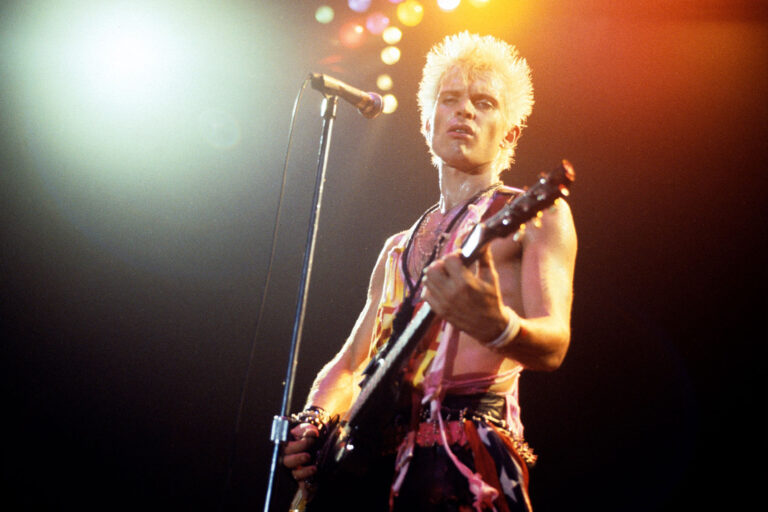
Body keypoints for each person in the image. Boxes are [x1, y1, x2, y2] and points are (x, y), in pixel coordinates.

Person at [282, 32, 577, 511]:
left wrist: (497, 325)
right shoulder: (395, 247)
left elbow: (555, 342)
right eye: (450, 100)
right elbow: (351, 362)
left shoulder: (534, 215)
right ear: (426, 121)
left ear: (511, 131)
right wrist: (314, 421)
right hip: (369, 468)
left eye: (484, 103)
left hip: (465, 461)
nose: (465, 112)